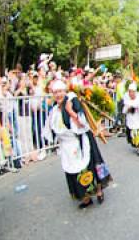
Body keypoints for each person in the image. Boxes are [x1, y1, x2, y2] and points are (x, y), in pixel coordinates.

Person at [43, 80, 111, 209]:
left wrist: (70, 112)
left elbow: (83, 124)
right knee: (73, 171)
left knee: (89, 167)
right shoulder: (54, 110)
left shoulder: (72, 103)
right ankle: (85, 198)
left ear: (65, 92)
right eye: (55, 92)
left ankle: (98, 190)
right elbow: (50, 129)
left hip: (80, 142)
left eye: (60, 92)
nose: (58, 95)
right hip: (67, 146)